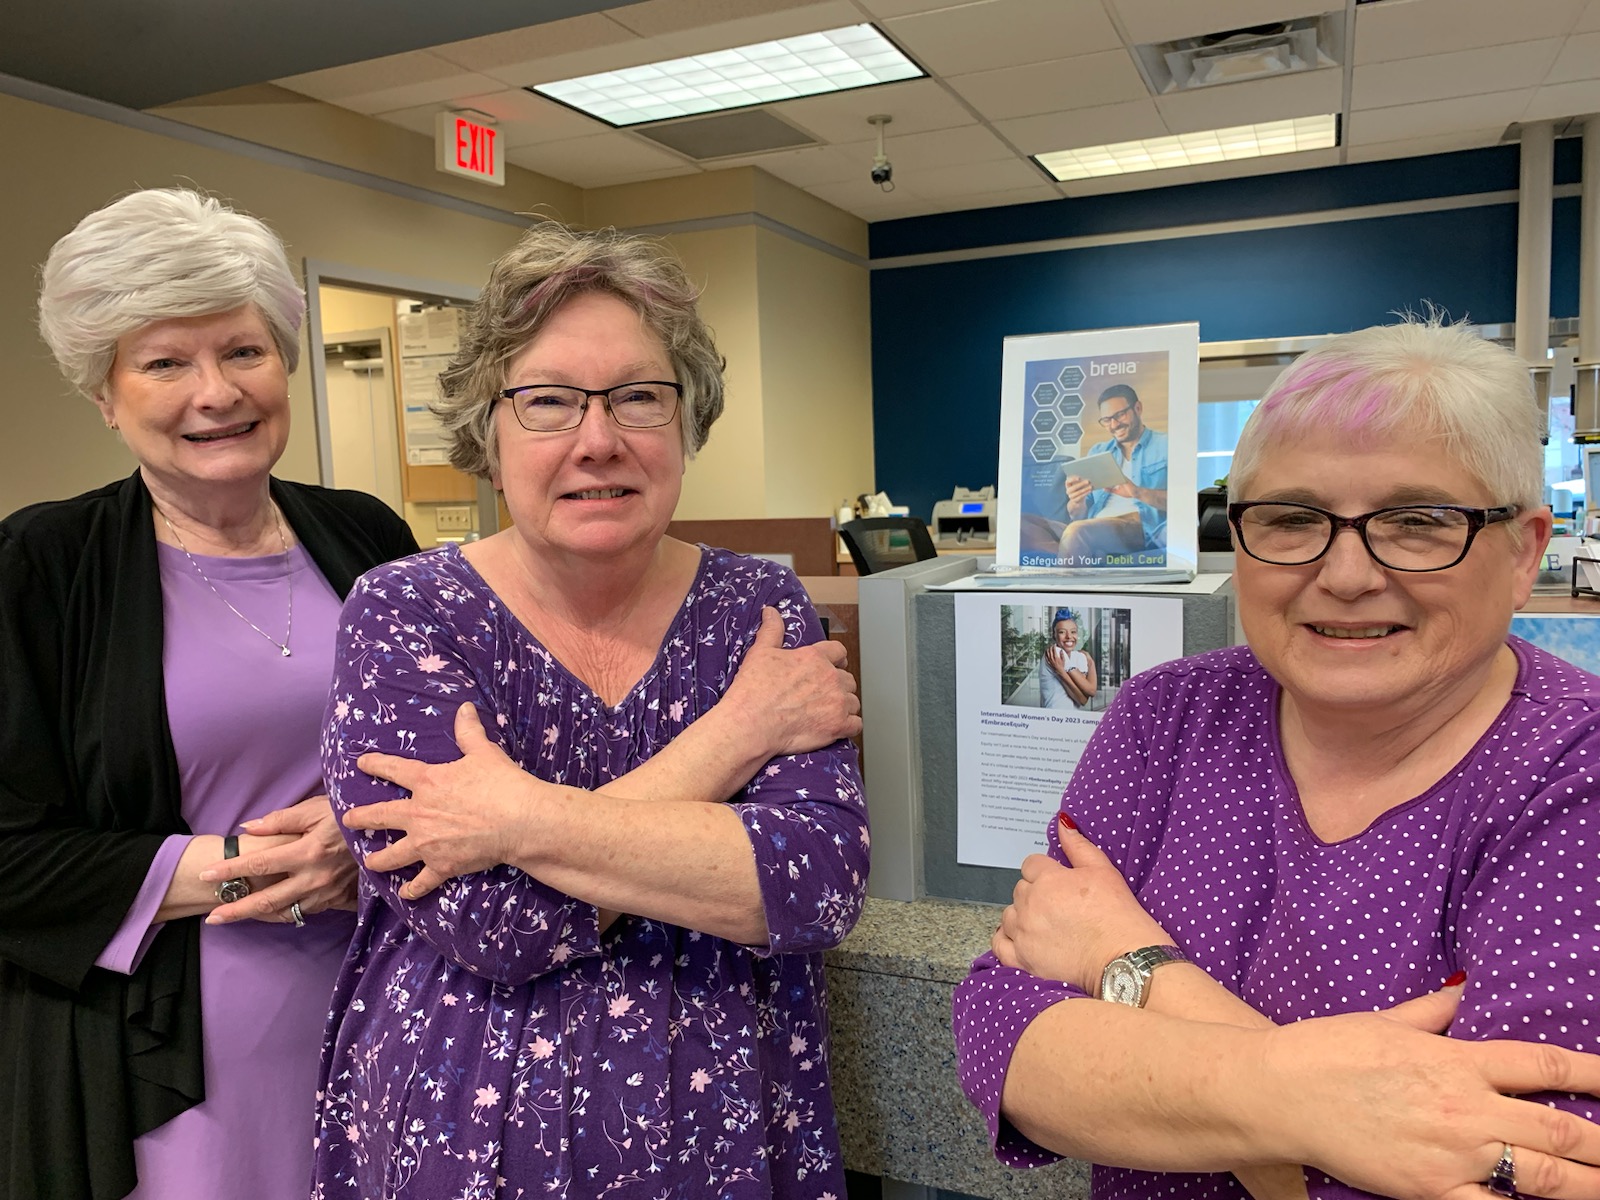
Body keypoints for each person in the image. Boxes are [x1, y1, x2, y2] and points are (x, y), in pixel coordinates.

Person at [954, 319, 1600, 1200]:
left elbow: (1513, 1180)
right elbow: (1003, 1044)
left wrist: (1131, 965)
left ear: (1523, 552)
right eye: (1294, 519)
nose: (1344, 575)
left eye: (1416, 522)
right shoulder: (1168, 717)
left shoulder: (1572, 771)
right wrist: (1329, 1112)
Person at [310, 223, 870, 1199]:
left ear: (687, 420)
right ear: (487, 428)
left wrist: (515, 818)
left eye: (640, 397)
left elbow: (813, 882)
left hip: (726, 1128)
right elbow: (493, 924)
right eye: (549, 402)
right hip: (465, 1132)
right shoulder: (403, 612)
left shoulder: (758, 610)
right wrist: (733, 739)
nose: (598, 440)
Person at [0, 188, 422, 1200]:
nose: (215, 391)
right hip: (175, 1058)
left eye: (242, 350)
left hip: (394, 1000)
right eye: (163, 362)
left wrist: (358, 837)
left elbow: (454, 746)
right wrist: (247, 867)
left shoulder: (366, 537)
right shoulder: (44, 564)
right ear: (105, 395)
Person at [1057, 383, 1168, 561]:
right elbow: (1078, 514)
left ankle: (1060, 586)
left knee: (1076, 531)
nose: (1114, 425)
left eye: (1120, 415)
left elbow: (1183, 503)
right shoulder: (1098, 452)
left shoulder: (1166, 445)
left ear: (1138, 408)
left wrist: (1137, 492)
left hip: (1138, 525)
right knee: (1025, 525)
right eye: (1107, 420)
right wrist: (1076, 502)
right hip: (1093, 524)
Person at [1040, 609, 1097, 709]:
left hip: (1070, 719)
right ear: (1054, 634)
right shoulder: (1056, 653)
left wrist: (1091, 663)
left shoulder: (1077, 656)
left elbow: (1084, 698)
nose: (1069, 636)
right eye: (1062, 632)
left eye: (1073, 632)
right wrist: (1062, 672)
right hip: (1053, 717)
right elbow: (1091, 691)